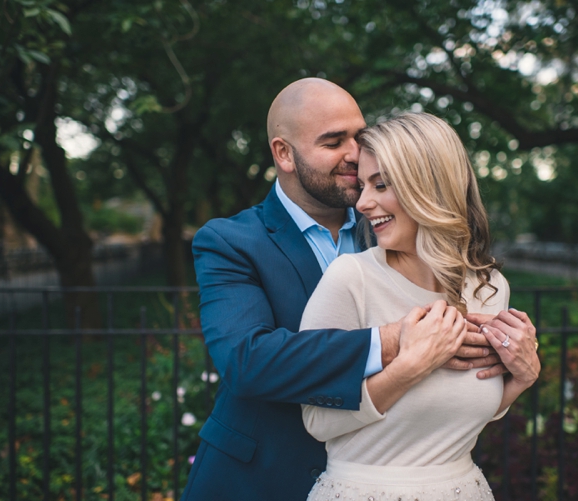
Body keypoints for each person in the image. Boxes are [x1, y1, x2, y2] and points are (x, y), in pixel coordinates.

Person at [181, 79, 518, 501]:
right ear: (284, 153)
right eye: (333, 142)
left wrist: (513, 362)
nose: (354, 153)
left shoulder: (393, 229)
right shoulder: (232, 241)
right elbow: (248, 361)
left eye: (358, 137)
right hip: (262, 477)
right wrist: (394, 339)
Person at [300, 113, 541, 501]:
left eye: (380, 184)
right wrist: (412, 366)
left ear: (429, 185)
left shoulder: (489, 288)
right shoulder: (350, 279)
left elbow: (470, 412)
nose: (362, 202)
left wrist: (521, 378)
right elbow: (317, 420)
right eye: (362, 185)